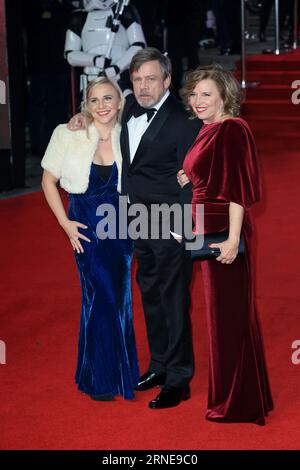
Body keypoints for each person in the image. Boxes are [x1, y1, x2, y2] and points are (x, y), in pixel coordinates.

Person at [69, 47, 202, 409]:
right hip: (135, 220)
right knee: (151, 294)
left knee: (174, 299)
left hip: (171, 221)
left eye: (151, 79)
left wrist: (184, 226)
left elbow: (193, 179)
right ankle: (159, 365)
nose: (143, 86)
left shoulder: (184, 119)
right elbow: (100, 117)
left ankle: (179, 378)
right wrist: (79, 119)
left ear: (168, 80)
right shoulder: (127, 109)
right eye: (138, 79)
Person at [178, 64, 274, 424]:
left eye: (206, 94)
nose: (198, 100)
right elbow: (210, 171)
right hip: (209, 231)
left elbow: (236, 187)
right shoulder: (210, 129)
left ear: (224, 96)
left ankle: (237, 404)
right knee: (229, 318)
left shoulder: (232, 128)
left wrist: (233, 239)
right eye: (194, 94)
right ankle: (248, 397)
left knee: (228, 319)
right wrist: (189, 173)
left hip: (223, 234)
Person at [41, 77, 140, 401]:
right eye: (95, 100)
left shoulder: (129, 132)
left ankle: (104, 372)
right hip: (84, 226)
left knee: (119, 296)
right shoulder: (67, 132)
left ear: (119, 102)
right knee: (101, 295)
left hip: (122, 227)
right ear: (86, 104)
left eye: (108, 98)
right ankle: (102, 377)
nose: (101, 106)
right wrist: (65, 224)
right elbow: (48, 181)